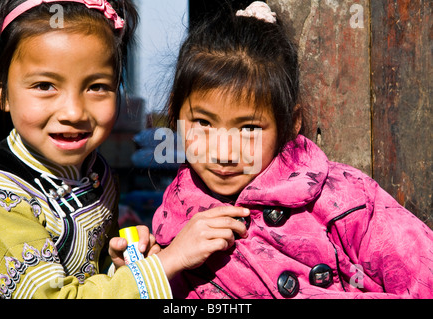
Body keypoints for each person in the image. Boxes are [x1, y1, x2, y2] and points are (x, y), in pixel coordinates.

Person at [152, 1, 433, 299]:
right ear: (175, 114)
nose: (224, 152)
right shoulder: (174, 225)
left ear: (290, 123)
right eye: (204, 123)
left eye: (249, 129)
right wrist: (150, 273)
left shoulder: (341, 199)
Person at [0, 0, 249, 299]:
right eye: (45, 86)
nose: (73, 112)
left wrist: (121, 266)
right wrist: (167, 263)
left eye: (96, 86)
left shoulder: (97, 173)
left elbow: (87, 274)